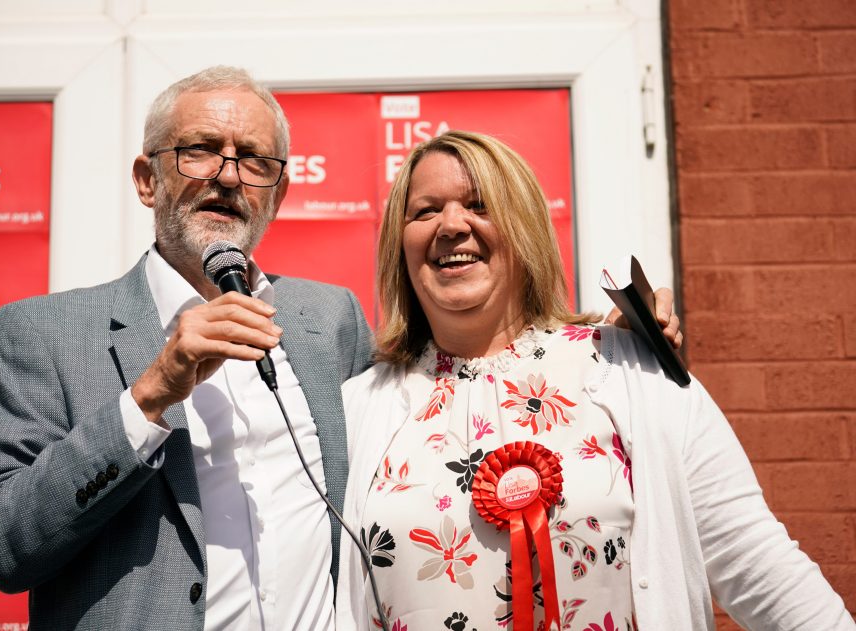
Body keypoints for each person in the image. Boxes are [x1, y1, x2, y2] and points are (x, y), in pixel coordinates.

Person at [0, 66, 680, 630]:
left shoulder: (325, 319)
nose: (228, 174)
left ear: (279, 191)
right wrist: (149, 396)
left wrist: (593, 342)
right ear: (148, 179)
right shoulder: (44, 334)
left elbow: (451, 381)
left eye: (254, 159)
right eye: (200, 150)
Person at [335, 130, 854, 630]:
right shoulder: (360, 409)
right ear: (399, 246)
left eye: (480, 204)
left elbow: (756, 561)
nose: (451, 226)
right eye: (426, 211)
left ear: (525, 228)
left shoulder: (633, 374)